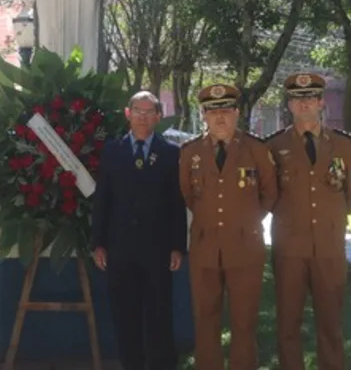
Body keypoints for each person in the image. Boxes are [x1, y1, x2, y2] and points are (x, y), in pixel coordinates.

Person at [266, 72, 351, 370]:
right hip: (289, 247)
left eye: (310, 98)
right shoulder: (272, 145)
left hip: (329, 246)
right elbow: (268, 194)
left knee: (331, 323)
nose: (304, 104)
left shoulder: (344, 145)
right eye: (297, 98)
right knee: (287, 325)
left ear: (321, 102)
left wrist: (327, 219)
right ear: (289, 105)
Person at [178, 83, 278, 370]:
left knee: (244, 320)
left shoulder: (257, 150)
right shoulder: (189, 152)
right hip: (205, 246)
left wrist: (246, 220)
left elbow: (270, 193)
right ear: (204, 115)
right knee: (205, 318)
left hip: (245, 246)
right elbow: (187, 194)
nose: (219, 117)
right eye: (212, 111)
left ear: (237, 113)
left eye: (225, 110)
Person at [91, 91, 187, 370]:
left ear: (158, 116)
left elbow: (175, 203)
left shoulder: (170, 153)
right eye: (138, 110)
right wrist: (98, 242)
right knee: (125, 317)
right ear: (128, 114)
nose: (143, 116)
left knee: (159, 316)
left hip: (157, 251)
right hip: (120, 250)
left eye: (149, 111)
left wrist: (177, 246)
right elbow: (103, 199)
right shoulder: (112, 150)